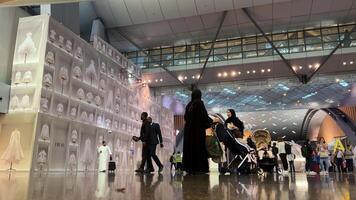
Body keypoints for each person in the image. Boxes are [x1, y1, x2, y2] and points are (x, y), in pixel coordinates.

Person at [183, 89, 212, 174]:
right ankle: (199, 168)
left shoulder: (189, 105)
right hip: (197, 131)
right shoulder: (199, 103)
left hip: (188, 131)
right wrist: (211, 122)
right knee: (199, 148)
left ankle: (189, 168)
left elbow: (185, 117)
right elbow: (204, 117)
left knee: (189, 149)